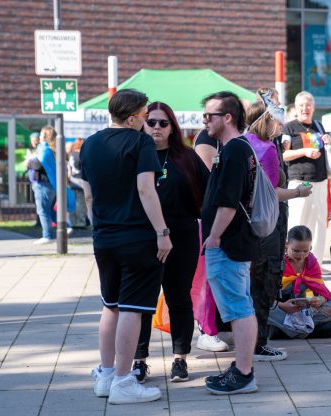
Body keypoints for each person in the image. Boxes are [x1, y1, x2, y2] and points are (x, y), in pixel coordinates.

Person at [82, 88, 170, 404]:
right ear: (132, 118)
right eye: (146, 115)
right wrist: (163, 231)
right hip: (137, 237)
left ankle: (106, 375)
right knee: (132, 308)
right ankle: (123, 380)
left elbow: (88, 195)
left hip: (103, 238)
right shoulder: (140, 142)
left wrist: (101, 225)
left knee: (110, 305)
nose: (148, 121)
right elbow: (146, 190)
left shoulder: (90, 144)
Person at [129, 102, 210, 384]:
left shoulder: (186, 157)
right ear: (142, 123)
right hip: (145, 237)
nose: (157, 128)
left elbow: (208, 193)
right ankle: (139, 361)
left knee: (179, 298)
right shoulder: (135, 154)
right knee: (143, 302)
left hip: (183, 236)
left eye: (164, 123)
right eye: (151, 122)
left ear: (172, 126)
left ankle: (180, 359)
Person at [244, 100, 314, 361]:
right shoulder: (267, 149)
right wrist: (298, 192)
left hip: (247, 226)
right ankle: (259, 344)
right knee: (264, 285)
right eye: (278, 120)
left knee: (250, 286)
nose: (282, 126)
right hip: (268, 226)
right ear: (266, 121)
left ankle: (250, 341)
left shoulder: (242, 143)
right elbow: (271, 193)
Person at [200, 91, 260, 394]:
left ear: (227, 118)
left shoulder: (235, 150)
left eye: (209, 115)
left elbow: (229, 201)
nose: (204, 121)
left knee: (238, 307)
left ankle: (244, 373)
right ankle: (241, 368)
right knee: (240, 305)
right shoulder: (236, 148)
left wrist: (214, 236)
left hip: (228, 242)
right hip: (230, 241)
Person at [282, 91, 331, 266]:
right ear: (296, 107)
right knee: (297, 222)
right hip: (299, 181)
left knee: (318, 225)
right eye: (302, 105)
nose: (305, 108)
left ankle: (314, 264)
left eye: (308, 105)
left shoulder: (319, 126)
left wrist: (327, 141)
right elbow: (285, 154)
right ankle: (291, 263)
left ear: (313, 107)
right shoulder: (289, 127)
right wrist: (304, 152)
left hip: (321, 181)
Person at [269, 225, 331, 339]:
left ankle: (288, 329)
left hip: (303, 311)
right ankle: (304, 329)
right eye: (296, 251)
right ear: (286, 246)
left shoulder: (312, 263)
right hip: (280, 308)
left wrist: (319, 300)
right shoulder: (277, 263)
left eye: (305, 251)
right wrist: (282, 306)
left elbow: (322, 292)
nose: (301, 255)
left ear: (310, 247)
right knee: (261, 308)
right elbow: (264, 297)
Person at [28, 126, 58, 244]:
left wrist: (29, 161)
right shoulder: (51, 149)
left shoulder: (44, 149)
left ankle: (47, 235)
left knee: (43, 210)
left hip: (42, 184)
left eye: (40, 134)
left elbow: (37, 165)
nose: (38, 137)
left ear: (45, 136)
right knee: (49, 210)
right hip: (48, 184)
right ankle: (64, 227)